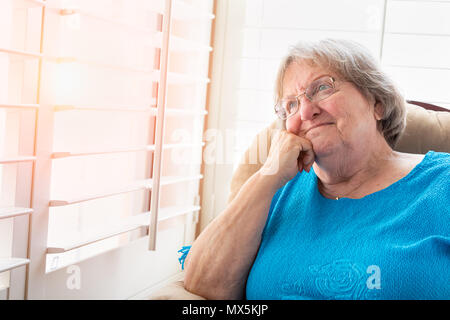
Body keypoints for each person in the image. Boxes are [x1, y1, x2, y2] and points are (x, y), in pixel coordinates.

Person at [182, 39, 450, 300]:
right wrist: (268, 176)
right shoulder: (273, 192)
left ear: (377, 103)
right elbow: (203, 286)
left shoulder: (442, 182)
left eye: (322, 87)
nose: (305, 111)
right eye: (291, 105)